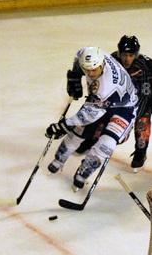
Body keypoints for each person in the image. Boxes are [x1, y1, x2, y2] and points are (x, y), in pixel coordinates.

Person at [46, 47, 138, 190]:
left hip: (125, 108)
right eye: (87, 70)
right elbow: (78, 56)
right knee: (78, 132)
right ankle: (59, 159)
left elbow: (89, 115)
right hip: (100, 102)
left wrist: (64, 125)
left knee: (106, 144)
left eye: (93, 70)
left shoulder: (105, 87)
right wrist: (75, 76)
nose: (90, 74)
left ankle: (84, 172)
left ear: (101, 65)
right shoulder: (89, 53)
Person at [72, 35, 152, 172]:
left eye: (131, 55)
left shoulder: (144, 67)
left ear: (136, 54)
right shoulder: (111, 61)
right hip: (120, 97)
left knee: (142, 122)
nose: (127, 59)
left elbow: (145, 97)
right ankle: (91, 139)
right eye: (124, 55)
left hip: (149, 97)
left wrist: (131, 119)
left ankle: (140, 152)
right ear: (119, 53)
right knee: (101, 115)